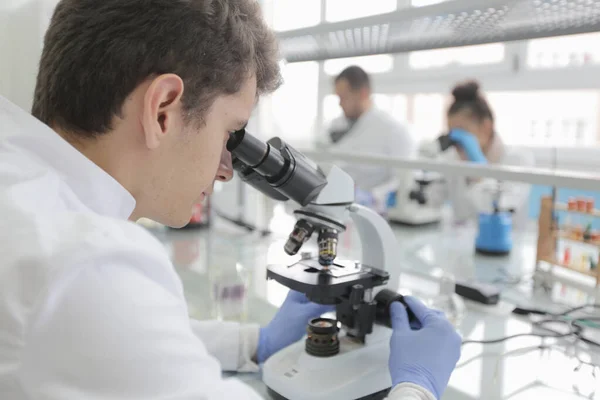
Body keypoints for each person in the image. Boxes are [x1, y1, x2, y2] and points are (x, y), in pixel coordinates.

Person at [0, 1, 461, 399]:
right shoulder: (86, 267)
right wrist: (416, 387)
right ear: (162, 110)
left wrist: (253, 344)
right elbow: (103, 312)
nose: (226, 169)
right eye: (229, 133)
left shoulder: (21, 181)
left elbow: (115, 344)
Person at [422, 80, 535, 228]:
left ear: (486, 126)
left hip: (502, 246)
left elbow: (496, 209)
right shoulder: (453, 158)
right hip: (460, 245)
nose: (456, 142)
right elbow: (431, 201)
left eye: (463, 131)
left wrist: (478, 173)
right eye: (452, 133)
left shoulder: (518, 159)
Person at [324, 65, 416, 208]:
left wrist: (373, 196)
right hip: (337, 207)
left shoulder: (394, 130)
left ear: (363, 93)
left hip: (374, 211)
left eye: (344, 97)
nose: (340, 104)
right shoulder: (336, 124)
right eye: (338, 97)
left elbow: (404, 180)